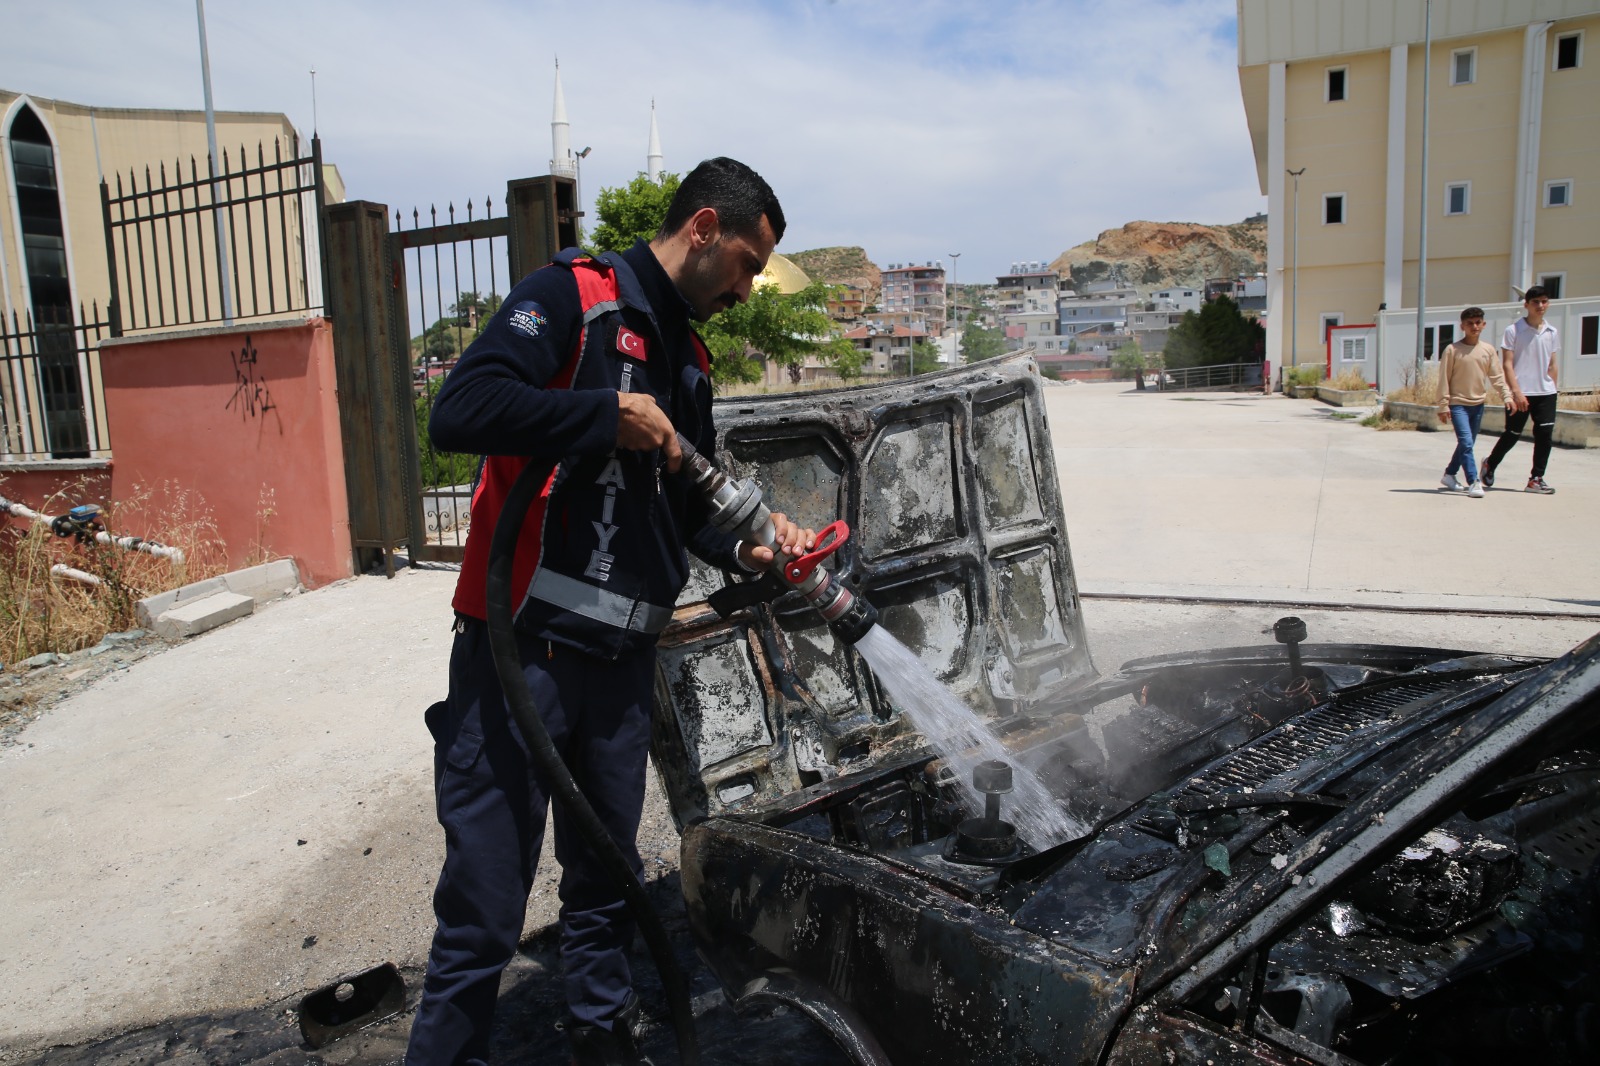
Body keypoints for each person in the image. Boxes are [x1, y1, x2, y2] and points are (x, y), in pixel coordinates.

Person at [407, 157, 813, 1066]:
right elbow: (459, 409)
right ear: (702, 227)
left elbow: (686, 502)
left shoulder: (690, 358)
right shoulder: (573, 298)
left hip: (622, 670)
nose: (748, 289)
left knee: (606, 884)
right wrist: (604, 414)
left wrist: (748, 548)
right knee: (483, 906)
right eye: (746, 264)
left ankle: (601, 1037)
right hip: (524, 658)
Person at [1481, 286, 1560, 494]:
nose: (1541, 306)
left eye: (1544, 301)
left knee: (1545, 435)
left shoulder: (1552, 332)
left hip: (1546, 393)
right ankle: (1490, 463)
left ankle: (1536, 479)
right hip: (1520, 392)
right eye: (1536, 302)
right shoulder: (1513, 331)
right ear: (1526, 305)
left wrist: (1553, 389)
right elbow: (1506, 364)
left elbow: (1552, 365)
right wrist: (1516, 393)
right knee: (1513, 434)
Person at [1435, 306, 1512, 498]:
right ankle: (1474, 481)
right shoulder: (1452, 350)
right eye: (1469, 323)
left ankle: (1450, 475)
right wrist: (1443, 405)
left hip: (1478, 405)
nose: (1474, 326)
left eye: (1478, 322)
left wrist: (1507, 396)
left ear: (1484, 325)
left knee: (1465, 444)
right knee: (1467, 443)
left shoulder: (1488, 350)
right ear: (1462, 326)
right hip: (1457, 404)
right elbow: (1443, 378)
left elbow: (1497, 376)